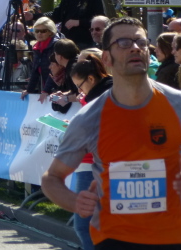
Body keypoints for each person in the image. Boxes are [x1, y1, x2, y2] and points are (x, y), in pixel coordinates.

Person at [41, 17, 181, 250]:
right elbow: (51, 177)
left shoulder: (179, 103)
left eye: (141, 42)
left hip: (172, 239)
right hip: (114, 240)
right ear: (107, 58)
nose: (136, 48)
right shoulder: (90, 118)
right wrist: (74, 201)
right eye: (124, 43)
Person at [69, 54, 113, 250]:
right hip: (92, 162)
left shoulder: (104, 95)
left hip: (96, 163)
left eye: (80, 86)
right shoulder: (100, 93)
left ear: (91, 79)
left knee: (84, 225)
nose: (80, 91)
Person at [21, 17, 61, 99]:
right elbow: (35, 71)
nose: (39, 33)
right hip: (46, 89)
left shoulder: (57, 45)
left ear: (50, 32)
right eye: (37, 31)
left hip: (59, 89)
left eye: (43, 31)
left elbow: (55, 72)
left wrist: (46, 90)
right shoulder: (37, 47)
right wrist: (29, 90)